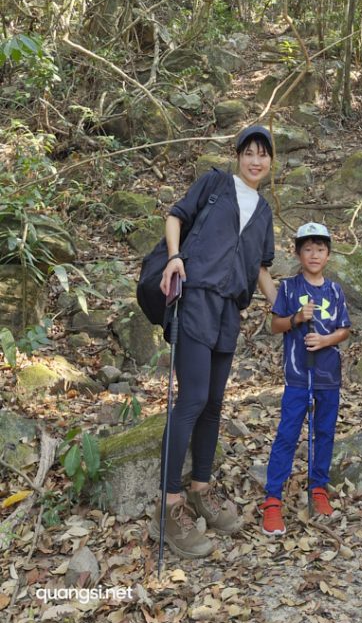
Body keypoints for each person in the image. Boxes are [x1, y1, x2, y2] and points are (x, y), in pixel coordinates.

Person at [149, 125, 276, 558]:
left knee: (215, 402)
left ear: (271, 163)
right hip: (196, 297)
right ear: (237, 155)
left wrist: (286, 310)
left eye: (264, 155)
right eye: (249, 153)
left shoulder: (263, 212)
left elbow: (260, 268)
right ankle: (168, 507)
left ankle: (201, 488)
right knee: (193, 398)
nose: (256, 161)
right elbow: (175, 216)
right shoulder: (215, 184)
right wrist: (175, 257)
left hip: (229, 311)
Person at [260, 222, 351, 536]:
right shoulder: (288, 288)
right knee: (287, 433)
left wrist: (326, 341)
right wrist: (297, 318)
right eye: (308, 249)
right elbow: (275, 326)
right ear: (298, 253)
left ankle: (319, 487)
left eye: (320, 249)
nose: (314, 255)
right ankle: (272, 499)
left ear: (328, 255)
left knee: (324, 432)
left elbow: (345, 329)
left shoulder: (335, 290)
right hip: (298, 374)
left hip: (328, 374)